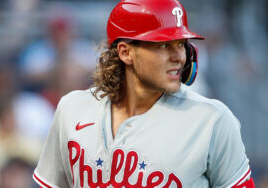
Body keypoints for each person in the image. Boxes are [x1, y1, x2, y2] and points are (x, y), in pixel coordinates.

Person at [33, 0, 255, 187]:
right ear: (126, 52)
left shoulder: (213, 120)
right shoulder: (71, 109)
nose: (180, 56)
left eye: (181, 44)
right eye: (164, 45)